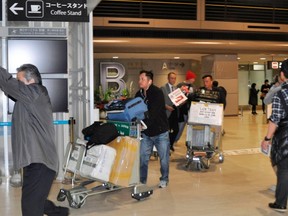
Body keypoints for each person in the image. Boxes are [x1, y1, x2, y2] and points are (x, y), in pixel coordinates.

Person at [0, 64, 69, 216]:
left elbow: (7, 83)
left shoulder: (36, 92)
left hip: (41, 163)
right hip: (35, 162)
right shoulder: (27, 99)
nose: (17, 85)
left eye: (19, 81)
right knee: (35, 199)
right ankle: (60, 213)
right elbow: (8, 89)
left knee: (30, 207)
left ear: (30, 81)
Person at [261, 59, 288, 213]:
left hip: (285, 136)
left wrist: (267, 139)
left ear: (283, 75)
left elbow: (275, 119)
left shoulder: (281, 94)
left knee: (284, 169)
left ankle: (281, 203)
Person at [135, 70, 170, 188]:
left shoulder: (157, 93)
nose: (139, 81)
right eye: (139, 79)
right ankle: (142, 180)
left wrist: (143, 124)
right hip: (146, 133)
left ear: (150, 81)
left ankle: (164, 179)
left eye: (142, 79)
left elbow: (153, 113)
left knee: (164, 158)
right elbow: (135, 111)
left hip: (161, 132)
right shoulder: (138, 95)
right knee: (143, 158)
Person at [175, 70, 197, 143]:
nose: (194, 80)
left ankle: (190, 142)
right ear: (189, 78)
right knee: (180, 126)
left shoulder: (193, 87)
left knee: (191, 127)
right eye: (193, 78)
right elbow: (176, 96)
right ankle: (175, 139)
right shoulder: (180, 85)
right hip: (182, 110)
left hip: (191, 110)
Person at [161, 72, 179, 152]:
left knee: (176, 130)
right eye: (172, 78)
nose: (173, 80)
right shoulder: (163, 88)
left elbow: (178, 101)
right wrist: (166, 107)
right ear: (168, 78)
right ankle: (166, 146)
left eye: (175, 78)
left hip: (175, 111)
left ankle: (171, 144)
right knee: (166, 130)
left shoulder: (176, 89)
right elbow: (160, 101)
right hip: (167, 112)